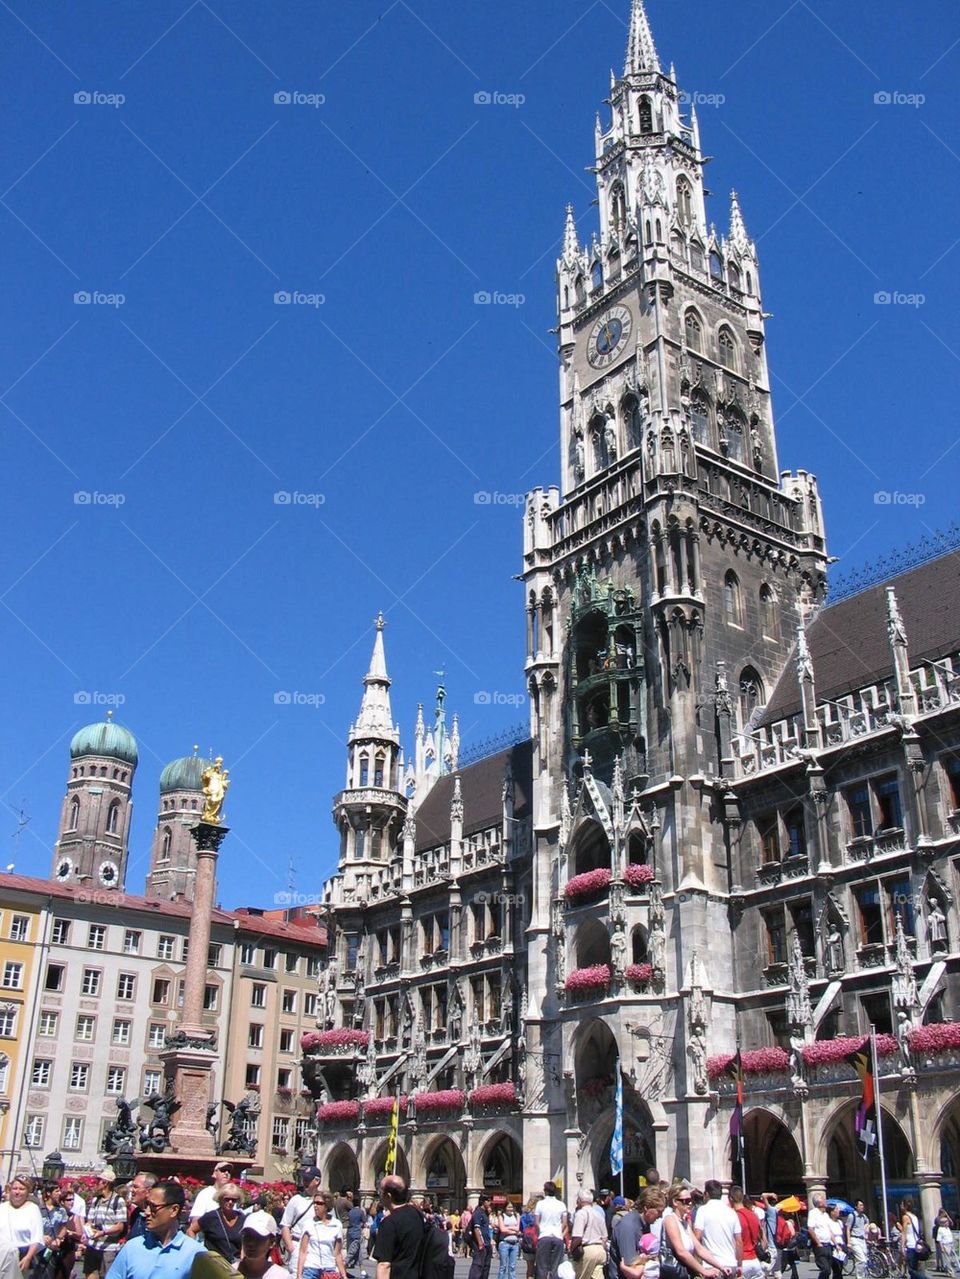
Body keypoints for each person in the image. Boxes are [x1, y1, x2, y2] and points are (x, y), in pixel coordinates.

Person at [109, 1181, 206, 1279]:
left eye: (153, 1207)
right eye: (146, 1205)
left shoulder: (196, 1253)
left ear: (174, 1210)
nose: (147, 1212)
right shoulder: (131, 1248)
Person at [660, 1185, 725, 1279]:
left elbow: (699, 1249)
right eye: (686, 1201)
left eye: (690, 1200)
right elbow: (681, 1251)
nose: (690, 1203)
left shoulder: (684, 1223)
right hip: (674, 1274)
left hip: (685, 1273)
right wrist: (704, 1271)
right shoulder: (670, 1220)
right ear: (675, 1202)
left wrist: (721, 1267)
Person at [372, 1177, 423, 1279]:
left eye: (380, 1192)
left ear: (388, 1196)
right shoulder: (417, 1214)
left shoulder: (389, 1223)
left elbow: (384, 1265)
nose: (380, 1196)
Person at [83, 1170, 128, 1279]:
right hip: (93, 1246)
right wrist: (87, 1231)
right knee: (90, 1274)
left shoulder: (118, 1201)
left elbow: (120, 1226)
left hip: (109, 1248)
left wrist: (103, 1233)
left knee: (107, 1276)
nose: (95, 1183)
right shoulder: (96, 1200)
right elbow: (89, 1222)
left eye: (98, 1181)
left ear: (105, 1183)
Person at [0, 1176, 47, 1274]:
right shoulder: (2, 1208)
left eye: (21, 1189)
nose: (17, 1192)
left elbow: (37, 1239)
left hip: (21, 1258)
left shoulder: (33, 1209)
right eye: (15, 1188)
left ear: (28, 1192)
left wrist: (28, 1258)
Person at [693, 1181, 742, 1274]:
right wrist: (739, 1264)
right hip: (730, 1263)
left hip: (711, 1265)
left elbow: (697, 1237)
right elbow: (739, 1241)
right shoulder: (731, 1212)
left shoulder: (702, 1210)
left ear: (706, 1194)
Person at [190, 1186, 245, 1262]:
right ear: (220, 1199)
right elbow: (191, 1230)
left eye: (233, 1200)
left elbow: (245, 1242)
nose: (230, 1202)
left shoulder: (242, 1218)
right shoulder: (210, 1217)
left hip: (235, 1265)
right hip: (214, 1264)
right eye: (227, 1199)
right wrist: (195, 1250)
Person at [282, 1171, 322, 1275]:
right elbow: (285, 1225)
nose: (305, 1182)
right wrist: (291, 1247)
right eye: (304, 1179)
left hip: (316, 1247)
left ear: (317, 1181)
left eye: (308, 1180)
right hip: (298, 1245)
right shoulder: (296, 1200)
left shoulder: (323, 1201)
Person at [297, 1192, 346, 1279]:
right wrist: (299, 1275)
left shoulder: (337, 1224)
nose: (315, 1206)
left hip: (329, 1269)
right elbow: (303, 1251)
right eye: (314, 1203)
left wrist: (344, 1275)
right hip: (311, 1269)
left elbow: (338, 1254)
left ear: (327, 1205)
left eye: (319, 1203)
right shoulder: (308, 1224)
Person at [238, 1212, 290, 1279]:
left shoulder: (281, 1276)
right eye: (247, 1236)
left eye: (258, 1237)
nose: (251, 1243)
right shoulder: (229, 1272)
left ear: (272, 1242)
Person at [569, 1191, 608, 1279]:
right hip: (600, 1250)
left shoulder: (581, 1213)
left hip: (588, 1250)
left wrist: (571, 1249)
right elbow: (605, 1237)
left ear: (579, 1200)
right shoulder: (599, 1214)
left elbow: (577, 1237)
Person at [534, 1182, 569, 1279]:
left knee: (542, 1267)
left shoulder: (540, 1204)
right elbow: (565, 1223)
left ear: (545, 1191)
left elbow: (536, 1222)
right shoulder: (561, 1204)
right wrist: (559, 1232)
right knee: (556, 1267)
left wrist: (541, 1231)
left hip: (544, 1236)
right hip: (557, 1237)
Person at [730, 1188, 762, 1279]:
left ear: (731, 1199)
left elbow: (737, 1242)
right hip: (755, 1260)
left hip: (742, 1261)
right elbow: (761, 1237)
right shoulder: (754, 1215)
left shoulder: (734, 1216)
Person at [126, 1175, 159, 1244]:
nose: (131, 1190)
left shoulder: (157, 1215)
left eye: (135, 1187)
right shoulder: (136, 1212)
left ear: (148, 1191)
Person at [807, 1193, 833, 1279]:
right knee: (825, 1269)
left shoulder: (826, 1215)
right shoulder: (813, 1213)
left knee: (829, 1270)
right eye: (824, 1199)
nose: (826, 1201)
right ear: (819, 1202)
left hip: (828, 1245)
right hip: (820, 1245)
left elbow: (829, 1230)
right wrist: (818, 1243)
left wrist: (835, 1243)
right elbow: (810, 1229)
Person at [468, 1194, 493, 1279]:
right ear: (483, 1202)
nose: (490, 1203)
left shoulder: (485, 1212)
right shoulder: (478, 1212)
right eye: (488, 1201)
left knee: (486, 1266)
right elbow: (476, 1228)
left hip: (487, 1243)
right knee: (478, 1266)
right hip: (480, 1244)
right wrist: (480, 1243)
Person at [495, 1201, 522, 1279]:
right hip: (504, 1243)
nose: (510, 1209)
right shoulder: (501, 1216)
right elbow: (502, 1230)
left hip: (515, 1244)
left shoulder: (517, 1215)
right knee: (503, 1266)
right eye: (509, 1207)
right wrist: (514, 1231)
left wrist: (508, 1228)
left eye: (511, 1207)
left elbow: (518, 1228)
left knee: (512, 1267)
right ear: (505, 1208)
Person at [900, 1198, 924, 1279]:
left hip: (910, 1245)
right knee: (914, 1267)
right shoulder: (914, 1217)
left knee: (911, 1270)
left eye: (902, 1205)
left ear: (905, 1206)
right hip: (917, 1245)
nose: (900, 1206)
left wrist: (902, 1247)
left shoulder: (905, 1217)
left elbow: (904, 1233)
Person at [846, 1201, 869, 1279]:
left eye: (863, 1205)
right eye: (860, 1205)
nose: (862, 1206)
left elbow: (867, 1222)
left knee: (865, 1260)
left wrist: (865, 1229)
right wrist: (849, 1241)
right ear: (856, 1206)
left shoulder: (864, 1216)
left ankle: (861, 1276)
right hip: (854, 1239)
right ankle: (859, 1277)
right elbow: (848, 1229)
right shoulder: (852, 1216)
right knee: (861, 1260)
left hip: (862, 1240)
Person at [345, 1197, 366, 1276]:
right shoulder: (360, 1211)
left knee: (358, 1252)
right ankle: (343, 1265)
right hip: (357, 1233)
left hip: (350, 1232)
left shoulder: (350, 1211)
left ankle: (362, 1269)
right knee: (352, 1251)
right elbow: (364, 1221)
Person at [935, 1212, 959, 1279]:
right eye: (946, 1222)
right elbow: (939, 1240)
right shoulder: (940, 1229)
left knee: (953, 1259)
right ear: (943, 1223)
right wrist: (942, 1248)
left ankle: (951, 1271)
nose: (947, 1223)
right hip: (945, 1245)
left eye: (947, 1222)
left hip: (950, 1244)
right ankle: (951, 1273)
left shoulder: (947, 1228)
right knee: (947, 1260)